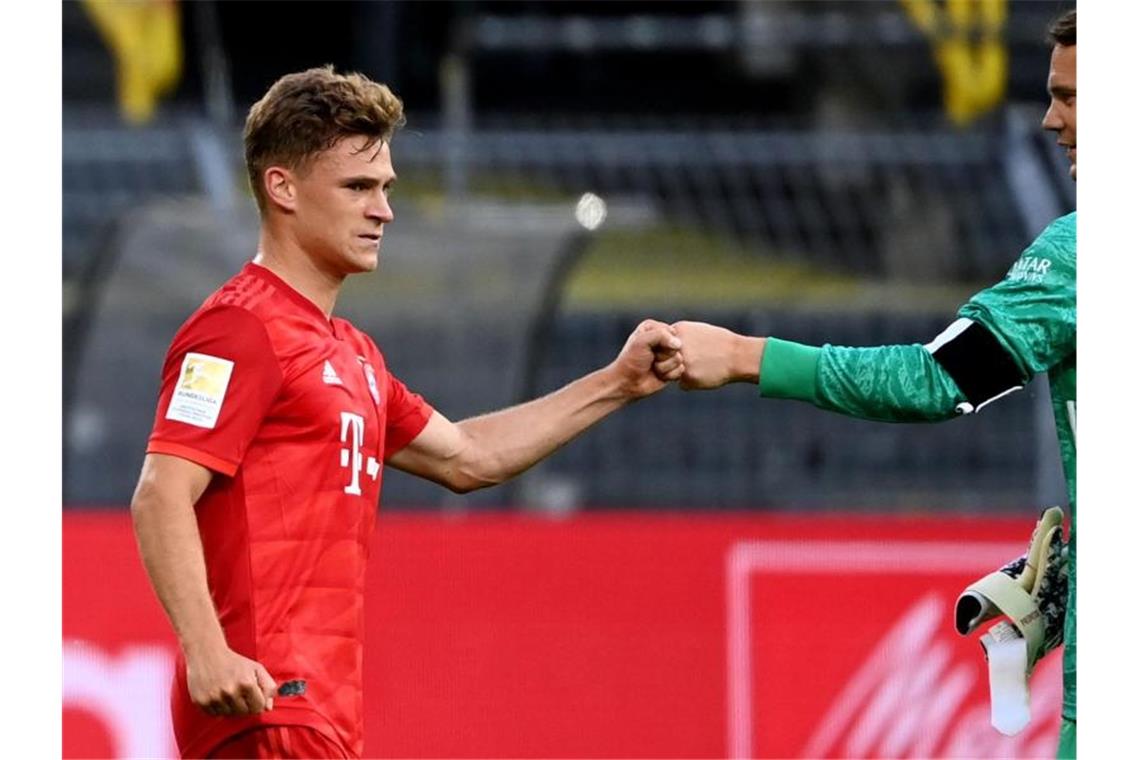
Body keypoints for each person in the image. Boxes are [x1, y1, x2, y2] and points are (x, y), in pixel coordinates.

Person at [130, 66, 686, 759]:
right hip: (270, 704)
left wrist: (616, 383)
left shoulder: (353, 354)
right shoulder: (240, 328)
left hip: (321, 716)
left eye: (385, 188)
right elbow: (161, 493)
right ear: (283, 188)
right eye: (358, 187)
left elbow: (468, 456)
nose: (383, 209)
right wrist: (208, 651)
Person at [658, 9, 1076, 758]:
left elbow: (936, 379)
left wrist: (749, 356)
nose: (1050, 119)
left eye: (1073, 98)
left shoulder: (1086, 251)